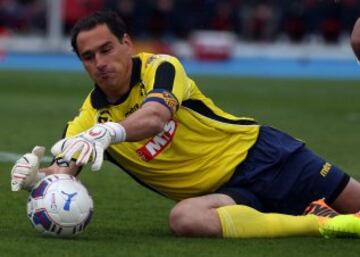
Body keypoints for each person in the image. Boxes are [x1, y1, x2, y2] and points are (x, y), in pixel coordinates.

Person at [11, 10, 360, 239]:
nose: (100, 63)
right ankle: (320, 222)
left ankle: (323, 209)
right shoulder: (85, 121)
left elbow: (155, 117)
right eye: (89, 57)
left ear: (127, 44)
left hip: (266, 156)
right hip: (225, 197)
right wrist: (36, 180)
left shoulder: (160, 67)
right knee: (185, 219)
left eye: (106, 49)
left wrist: (110, 133)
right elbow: (63, 173)